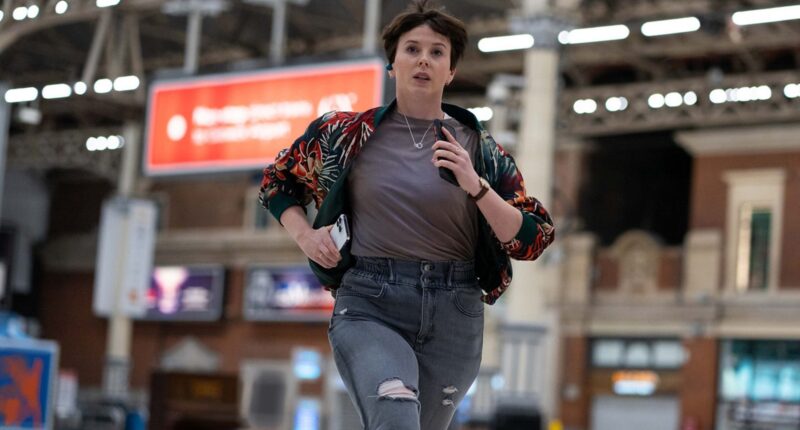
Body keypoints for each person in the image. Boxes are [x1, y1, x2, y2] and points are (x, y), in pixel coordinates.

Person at [259, 1, 555, 428]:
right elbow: (277, 181)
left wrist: (476, 186)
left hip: (455, 309)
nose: (423, 59)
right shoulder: (344, 135)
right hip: (370, 300)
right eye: (412, 49)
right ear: (392, 63)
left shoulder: (480, 150)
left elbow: (534, 238)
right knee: (396, 414)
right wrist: (306, 235)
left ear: (451, 71)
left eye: (437, 52)